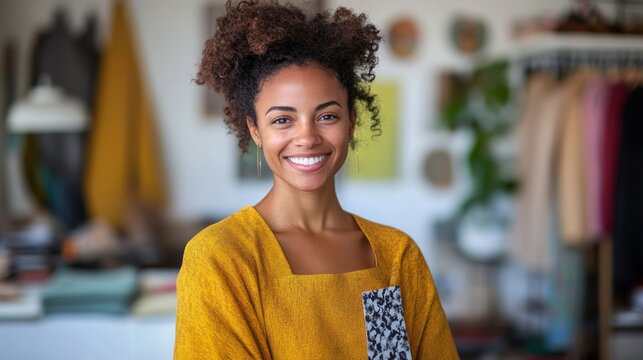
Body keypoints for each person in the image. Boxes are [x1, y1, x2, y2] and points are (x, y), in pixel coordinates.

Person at [173, 1, 458, 359]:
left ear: (351, 122)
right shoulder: (221, 259)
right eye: (282, 120)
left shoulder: (395, 257)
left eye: (326, 116)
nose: (307, 138)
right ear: (254, 129)